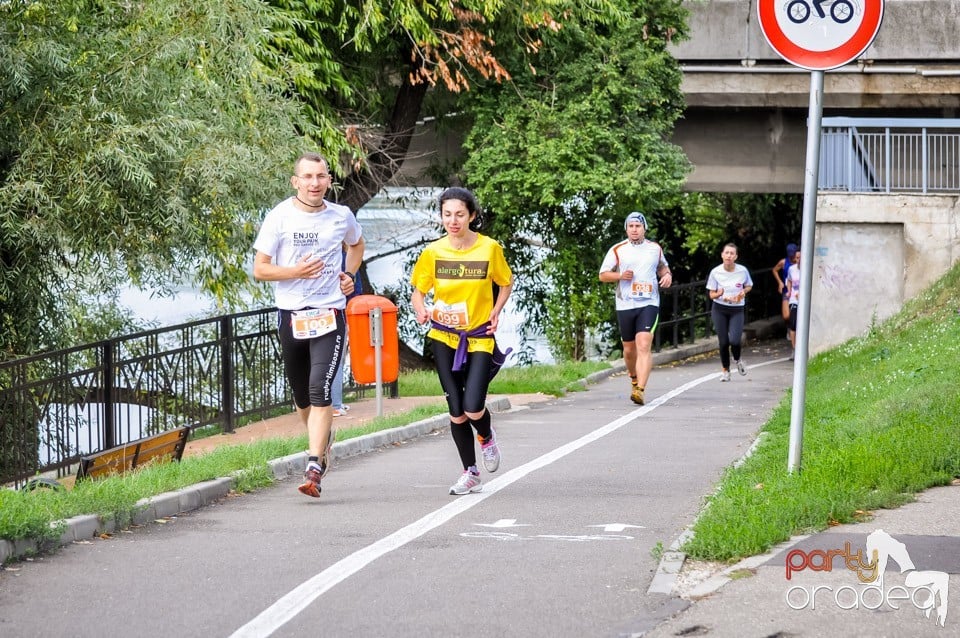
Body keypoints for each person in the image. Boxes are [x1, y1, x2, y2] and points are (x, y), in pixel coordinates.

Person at [252, 152, 365, 498]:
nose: (315, 183)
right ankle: (322, 439)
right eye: (308, 177)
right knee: (302, 396)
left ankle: (314, 466)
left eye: (321, 176)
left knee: (320, 389)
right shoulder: (279, 217)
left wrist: (349, 274)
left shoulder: (340, 215)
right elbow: (260, 269)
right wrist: (295, 272)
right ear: (296, 182)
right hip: (292, 317)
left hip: (330, 314)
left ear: (329, 180)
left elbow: (356, 244)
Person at [410, 187, 513, 496]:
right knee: (456, 410)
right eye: (447, 215)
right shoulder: (434, 252)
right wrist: (421, 310)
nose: (453, 221)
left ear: (471, 216)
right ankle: (470, 472)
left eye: (459, 215)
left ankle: (487, 436)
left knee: (473, 406)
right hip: (443, 335)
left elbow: (505, 283)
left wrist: (495, 311)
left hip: (479, 336)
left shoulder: (489, 248)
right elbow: (418, 291)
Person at [599, 211, 673, 406]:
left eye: (638, 226)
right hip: (625, 304)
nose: (634, 229)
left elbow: (663, 267)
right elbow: (603, 275)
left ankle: (640, 389)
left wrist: (667, 276)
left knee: (643, 344)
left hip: (648, 303)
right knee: (629, 349)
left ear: (644, 228)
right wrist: (620, 276)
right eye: (631, 226)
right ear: (626, 229)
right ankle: (633, 378)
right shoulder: (618, 249)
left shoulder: (654, 249)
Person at [706, 243, 754, 381]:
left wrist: (743, 292)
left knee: (735, 340)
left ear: (736, 256)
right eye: (726, 253)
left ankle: (738, 359)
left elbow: (749, 286)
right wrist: (719, 293)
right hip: (720, 308)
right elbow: (711, 295)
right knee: (723, 342)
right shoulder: (716, 272)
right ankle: (726, 371)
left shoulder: (742, 271)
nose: (729, 256)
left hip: (737, 309)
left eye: (732, 253)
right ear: (722, 255)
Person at [332, 250, 364, 418]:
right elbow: (354, 292)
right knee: (336, 359)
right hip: (341, 313)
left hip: (339, 313)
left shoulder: (342, 257)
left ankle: (335, 401)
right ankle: (334, 404)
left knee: (337, 359)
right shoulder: (345, 259)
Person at [772, 243, 799, 327]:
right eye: (790, 255)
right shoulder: (783, 262)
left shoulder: (801, 261)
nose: (792, 257)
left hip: (797, 290)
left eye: (793, 255)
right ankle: (790, 327)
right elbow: (774, 270)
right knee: (786, 316)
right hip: (787, 290)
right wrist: (780, 282)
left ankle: (795, 329)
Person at [786, 248, 802, 360]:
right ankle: (794, 348)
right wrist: (789, 291)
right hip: (794, 300)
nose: (799, 260)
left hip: (805, 301)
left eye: (801, 257)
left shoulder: (809, 269)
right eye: (797, 258)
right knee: (793, 324)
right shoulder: (791, 269)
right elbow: (789, 280)